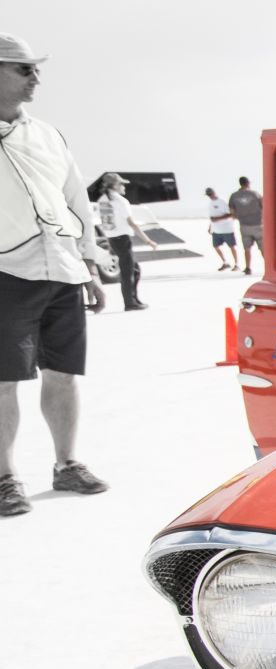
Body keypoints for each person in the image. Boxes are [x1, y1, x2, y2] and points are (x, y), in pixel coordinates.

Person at [0, 32, 109, 518]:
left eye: (35, 69)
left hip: (61, 269)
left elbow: (75, 202)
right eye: (23, 69)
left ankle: (67, 464)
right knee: (3, 381)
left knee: (63, 374)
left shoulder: (47, 134)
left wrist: (90, 265)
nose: (35, 78)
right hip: (6, 272)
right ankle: (4, 478)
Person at [93, 172, 153, 310]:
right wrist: (148, 240)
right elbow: (132, 223)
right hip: (123, 239)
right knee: (128, 272)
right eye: (121, 184)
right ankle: (130, 303)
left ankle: (134, 299)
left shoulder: (102, 200)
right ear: (115, 185)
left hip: (113, 238)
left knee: (135, 270)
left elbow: (105, 223)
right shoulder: (120, 201)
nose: (124, 187)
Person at [227, 174, 262, 275]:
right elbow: (264, 206)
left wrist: (240, 216)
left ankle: (248, 267)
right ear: (248, 183)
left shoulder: (234, 196)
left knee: (247, 248)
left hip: (244, 225)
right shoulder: (255, 194)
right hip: (258, 224)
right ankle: (268, 267)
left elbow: (232, 213)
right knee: (263, 248)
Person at [205, 185, 238, 271]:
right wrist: (210, 226)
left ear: (214, 193)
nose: (210, 196)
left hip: (227, 229)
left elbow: (231, 214)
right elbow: (212, 217)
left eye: (210, 194)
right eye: (208, 195)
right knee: (216, 246)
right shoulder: (210, 204)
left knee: (232, 246)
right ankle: (225, 262)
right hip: (216, 230)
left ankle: (236, 264)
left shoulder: (222, 202)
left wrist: (217, 219)